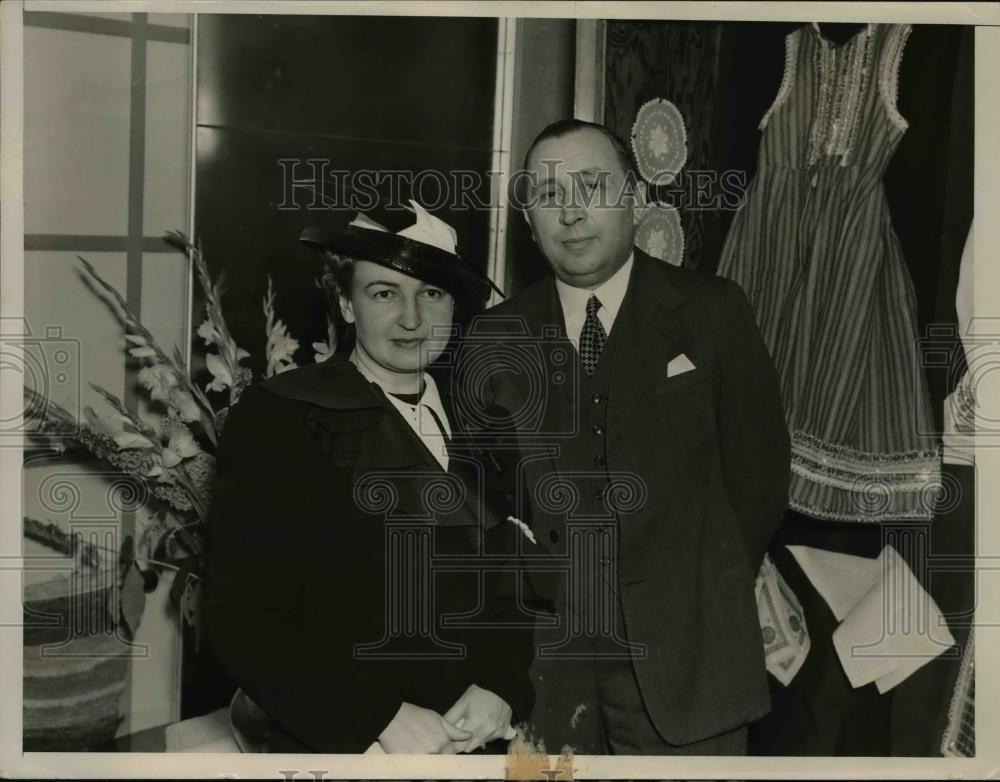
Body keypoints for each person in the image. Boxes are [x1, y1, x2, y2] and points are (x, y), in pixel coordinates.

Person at [457, 119, 791, 755]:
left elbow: (761, 473)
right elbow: (481, 497)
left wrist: (693, 586)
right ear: (529, 220)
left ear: (634, 198)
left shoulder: (713, 310)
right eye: (549, 195)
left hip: (693, 666)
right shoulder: (496, 336)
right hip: (545, 676)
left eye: (592, 185)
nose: (573, 212)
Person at [205, 201, 534, 754]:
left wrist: (501, 686)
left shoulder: (484, 416)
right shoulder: (281, 418)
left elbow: (508, 581)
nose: (412, 318)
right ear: (344, 303)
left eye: (431, 292)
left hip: (473, 739)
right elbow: (241, 618)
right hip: (343, 743)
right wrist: (378, 717)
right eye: (384, 293)